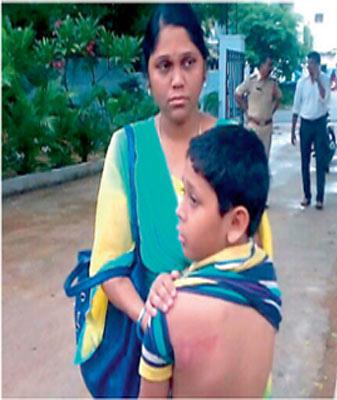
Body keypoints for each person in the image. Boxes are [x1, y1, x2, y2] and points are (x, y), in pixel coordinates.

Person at [75, 4, 273, 392]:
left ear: (205, 68)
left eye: (189, 62)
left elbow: (258, 254)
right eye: (163, 66)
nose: (177, 79)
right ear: (148, 75)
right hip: (152, 354)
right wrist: (150, 315)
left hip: (223, 352)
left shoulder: (235, 145)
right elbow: (110, 266)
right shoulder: (128, 148)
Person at [138, 125, 280, 397]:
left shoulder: (170, 313)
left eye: (193, 199)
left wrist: (152, 314)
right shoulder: (268, 287)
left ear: (236, 222)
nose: (178, 211)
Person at [291, 51, 331, 210]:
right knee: (305, 162)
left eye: (312, 63)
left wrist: (317, 81)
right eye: (308, 63)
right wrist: (293, 129)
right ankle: (307, 195)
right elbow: (296, 106)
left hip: (320, 123)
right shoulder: (301, 83)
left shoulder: (326, 80)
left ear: (318, 65)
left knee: (320, 162)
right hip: (306, 124)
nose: (309, 66)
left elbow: (325, 99)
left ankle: (320, 198)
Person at [235, 53, 282, 159]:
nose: (271, 68)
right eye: (268, 65)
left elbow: (278, 98)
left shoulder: (272, 83)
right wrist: (246, 110)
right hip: (253, 126)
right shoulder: (251, 81)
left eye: (271, 65)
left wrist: (271, 111)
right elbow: (238, 94)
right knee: (251, 158)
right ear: (261, 65)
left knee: (264, 158)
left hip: (267, 127)